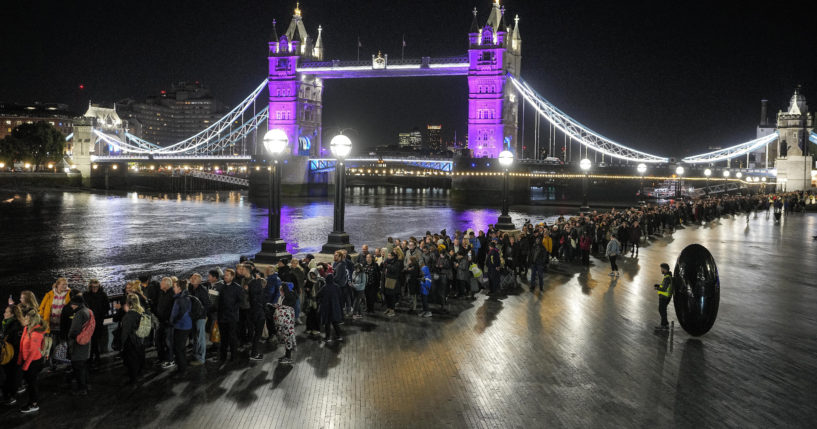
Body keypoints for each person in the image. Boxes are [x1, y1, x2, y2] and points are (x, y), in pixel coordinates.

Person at [38, 278, 70, 369]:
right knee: (53, 344)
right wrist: (40, 318)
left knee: (64, 343)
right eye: (63, 284)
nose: (65, 286)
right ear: (57, 285)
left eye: (66, 284)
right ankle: (53, 363)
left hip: (64, 324)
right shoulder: (49, 294)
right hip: (51, 325)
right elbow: (41, 308)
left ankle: (65, 361)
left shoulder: (69, 293)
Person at [18, 309, 46, 414]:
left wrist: (25, 365)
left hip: (33, 362)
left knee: (32, 383)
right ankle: (31, 402)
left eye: (26, 318)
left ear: (31, 320)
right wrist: (21, 360)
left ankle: (34, 404)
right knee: (30, 383)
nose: (24, 319)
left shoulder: (36, 332)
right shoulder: (27, 328)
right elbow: (22, 345)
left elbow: (33, 351)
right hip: (28, 361)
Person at [67, 294, 92, 395]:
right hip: (86, 342)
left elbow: (74, 331)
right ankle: (86, 385)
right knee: (84, 366)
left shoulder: (79, 313)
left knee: (78, 366)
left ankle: (82, 389)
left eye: (72, 304)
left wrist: (70, 337)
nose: (71, 306)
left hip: (78, 343)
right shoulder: (88, 310)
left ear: (76, 304)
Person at [216, 269, 242, 367]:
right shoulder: (221, 287)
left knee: (232, 337)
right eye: (225, 275)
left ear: (232, 276)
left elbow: (240, 301)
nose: (225, 277)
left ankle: (233, 357)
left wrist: (232, 309)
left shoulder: (237, 288)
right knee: (223, 338)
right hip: (222, 316)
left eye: (227, 275)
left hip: (232, 317)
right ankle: (223, 357)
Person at [120, 294, 146, 385]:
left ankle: (133, 380)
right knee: (139, 357)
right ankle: (140, 374)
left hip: (131, 342)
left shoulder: (129, 316)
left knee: (132, 361)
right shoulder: (141, 311)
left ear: (128, 303)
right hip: (140, 340)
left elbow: (125, 332)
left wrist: (122, 345)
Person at [83, 279, 108, 370]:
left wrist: (101, 314)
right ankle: (95, 357)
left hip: (98, 321)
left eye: (96, 287)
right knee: (91, 340)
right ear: (90, 287)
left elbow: (106, 307)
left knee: (95, 339)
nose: (95, 288)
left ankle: (93, 358)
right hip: (89, 321)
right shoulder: (86, 295)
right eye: (93, 287)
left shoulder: (103, 295)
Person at [1, 304, 23, 405]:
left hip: (13, 355)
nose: (4, 313)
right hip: (10, 354)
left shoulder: (16, 326)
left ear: (12, 314)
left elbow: (15, 342)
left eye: (6, 312)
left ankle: (10, 396)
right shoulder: (7, 323)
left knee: (11, 376)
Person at [170, 280, 192, 378]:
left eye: (174, 286)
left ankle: (182, 370)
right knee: (181, 348)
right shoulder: (185, 297)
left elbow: (180, 313)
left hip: (181, 326)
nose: (173, 288)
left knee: (178, 348)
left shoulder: (180, 299)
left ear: (179, 288)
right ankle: (183, 367)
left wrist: (173, 321)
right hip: (185, 325)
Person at [271, 282, 297, 364]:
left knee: (288, 338)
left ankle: (288, 357)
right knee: (286, 339)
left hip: (287, 324)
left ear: (285, 291)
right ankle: (286, 355)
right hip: (284, 323)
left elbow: (286, 308)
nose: (280, 292)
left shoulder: (290, 297)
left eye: (281, 290)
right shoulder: (283, 297)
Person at [187, 273, 210, 366]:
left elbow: (207, 304)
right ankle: (196, 354)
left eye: (195, 278)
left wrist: (201, 314)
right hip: (193, 317)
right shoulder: (190, 288)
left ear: (200, 281)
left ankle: (201, 358)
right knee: (196, 337)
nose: (192, 279)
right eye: (192, 277)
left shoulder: (202, 290)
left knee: (200, 338)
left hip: (199, 317)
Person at [155, 277, 176, 369]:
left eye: (162, 283)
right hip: (161, 322)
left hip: (168, 323)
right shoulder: (162, 293)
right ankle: (162, 358)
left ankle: (170, 360)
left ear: (167, 285)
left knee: (168, 342)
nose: (160, 285)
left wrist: (169, 320)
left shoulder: (172, 294)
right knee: (159, 341)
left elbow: (173, 310)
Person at [247, 271, 267, 361]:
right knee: (257, 335)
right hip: (259, 316)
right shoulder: (260, 295)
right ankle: (254, 353)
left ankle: (252, 351)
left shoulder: (251, 294)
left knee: (253, 334)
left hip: (251, 314)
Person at [318, 273, 343, 342]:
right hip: (335, 307)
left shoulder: (324, 287)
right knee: (335, 323)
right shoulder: (337, 286)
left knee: (327, 323)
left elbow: (318, 295)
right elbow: (340, 296)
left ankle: (328, 337)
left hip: (326, 308)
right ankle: (339, 336)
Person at [303, 269, 324, 338]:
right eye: (311, 274)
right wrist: (307, 289)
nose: (312, 275)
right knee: (309, 315)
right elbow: (305, 287)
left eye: (313, 274)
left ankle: (316, 329)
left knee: (316, 315)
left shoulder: (320, 280)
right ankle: (309, 328)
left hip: (317, 301)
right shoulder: (308, 280)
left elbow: (322, 291)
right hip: (310, 301)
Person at [654, 263, 674, 330]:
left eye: (661, 269)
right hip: (666, 297)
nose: (661, 270)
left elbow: (664, 288)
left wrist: (657, 288)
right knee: (662, 310)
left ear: (665, 269)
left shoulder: (667, 278)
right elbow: (664, 286)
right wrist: (659, 285)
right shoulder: (668, 276)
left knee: (662, 310)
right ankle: (665, 324)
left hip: (664, 297)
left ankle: (663, 326)